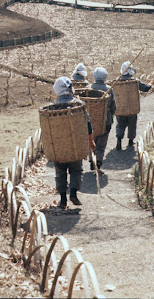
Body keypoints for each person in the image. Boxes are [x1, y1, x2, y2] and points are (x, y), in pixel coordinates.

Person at [52, 76, 96, 209]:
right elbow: (88, 125)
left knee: (60, 172)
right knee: (76, 169)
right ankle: (73, 193)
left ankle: (63, 199)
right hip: (75, 145)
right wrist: (90, 141)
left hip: (59, 147)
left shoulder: (52, 108)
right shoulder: (79, 106)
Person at [115, 61, 154, 150]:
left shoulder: (116, 82)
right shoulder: (135, 81)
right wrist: (150, 84)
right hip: (132, 108)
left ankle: (119, 140)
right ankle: (130, 141)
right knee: (132, 125)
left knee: (120, 125)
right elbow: (145, 89)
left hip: (120, 109)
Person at [89, 67, 116, 173]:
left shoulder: (89, 88)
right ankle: (99, 160)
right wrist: (112, 114)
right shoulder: (109, 89)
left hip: (91, 121)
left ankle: (92, 160)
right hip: (106, 120)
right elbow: (113, 105)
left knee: (92, 141)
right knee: (102, 143)